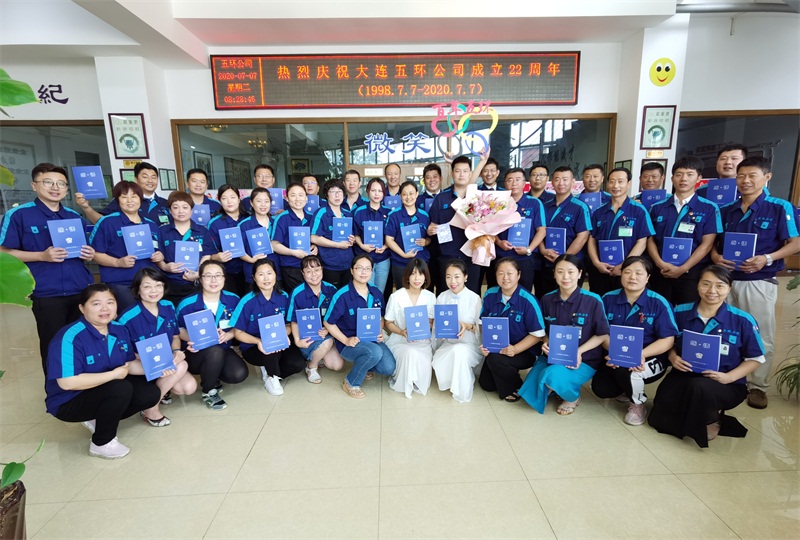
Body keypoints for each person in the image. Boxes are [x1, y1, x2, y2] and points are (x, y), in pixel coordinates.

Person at [711, 156, 800, 409]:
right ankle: (724, 375)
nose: (746, 181)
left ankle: (758, 385)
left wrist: (767, 258)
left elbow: (795, 243)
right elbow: (714, 243)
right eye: (741, 176)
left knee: (760, 333)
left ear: (767, 177)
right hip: (725, 280)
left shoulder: (779, 207)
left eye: (752, 176)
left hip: (758, 280)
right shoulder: (727, 210)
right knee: (723, 330)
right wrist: (716, 257)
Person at [648, 265, 766, 447]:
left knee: (699, 388)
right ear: (697, 285)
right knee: (659, 415)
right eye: (706, 284)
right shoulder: (680, 312)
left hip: (725, 381)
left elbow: (756, 359)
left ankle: (712, 418)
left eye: (720, 286)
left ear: (729, 288)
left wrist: (729, 377)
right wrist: (672, 357)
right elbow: (668, 341)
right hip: (684, 374)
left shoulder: (742, 320)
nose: (712, 291)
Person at [45, 284, 161, 459]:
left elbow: (129, 364)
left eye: (110, 302)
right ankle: (101, 443)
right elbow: (67, 383)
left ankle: (98, 417)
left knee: (150, 393)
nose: (105, 309)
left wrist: (159, 367)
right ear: (82, 308)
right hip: (69, 399)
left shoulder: (119, 329)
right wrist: (114, 375)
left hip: (104, 388)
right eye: (96, 304)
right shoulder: (70, 337)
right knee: (121, 388)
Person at [0, 163, 95, 371]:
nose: (55, 187)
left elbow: (83, 251)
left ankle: (85, 387)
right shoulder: (19, 215)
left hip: (80, 290)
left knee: (83, 342)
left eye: (61, 183)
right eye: (48, 182)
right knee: (54, 345)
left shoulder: (74, 217)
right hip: (47, 292)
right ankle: (56, 390)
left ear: (66, 189)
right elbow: (3, 253)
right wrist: (41, 256)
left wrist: (88, 254)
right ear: (34, 185)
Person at [591, 257, 678, 425]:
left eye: (639, 273)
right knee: (602, 389)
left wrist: (639, 355)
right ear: (621, 274)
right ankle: (627, 387)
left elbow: (667, 340)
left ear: (648, 277)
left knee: (629, 370)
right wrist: (616, 353)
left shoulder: (659, 303)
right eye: (628, 272)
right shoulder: (607, 299)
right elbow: (602, 333)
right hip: (615, 354)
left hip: (650, 356)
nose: (632, 277)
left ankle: (637, 403)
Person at [518, 254, 609, 414]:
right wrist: (546, 342)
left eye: (571, 272)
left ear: (579, 274)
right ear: (554, 274)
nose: (565, 277)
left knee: (550, 376)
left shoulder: (593, 300)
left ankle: (572, 396)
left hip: (583, 359)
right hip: (553, 356)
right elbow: (543, 331)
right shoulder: (546, 299)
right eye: (560, 272)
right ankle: (557, 387)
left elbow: (602, 335)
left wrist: (578, 351)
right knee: (529, 390)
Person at [118, 268, 198, 426]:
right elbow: (123, 353)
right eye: (147, 286)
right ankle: (151, 409)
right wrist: (155, 362)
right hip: (138, 362)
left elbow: (175, 336)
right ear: (138, 290)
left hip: (164, 360)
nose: (154, 291)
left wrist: (176, 351)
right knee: (181, 366)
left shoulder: (168, 306)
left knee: (188, 387)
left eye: (158, 285)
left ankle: (161, 388)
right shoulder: (127, 318)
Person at [647, 156, 722, 305]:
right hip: (660, 271)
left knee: (687, 311)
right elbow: (650, 239)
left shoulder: (709, 208)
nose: (684, 179)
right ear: (672, 178)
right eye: (679, 174)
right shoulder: (657, 207)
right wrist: (659, 263)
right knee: (659, 310)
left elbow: (707, 244)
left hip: (692, 272)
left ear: (699, 178)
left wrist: (683, 268)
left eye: (689, 174)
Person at [176, 260, 248, 410]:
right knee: (214, 351)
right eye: (208, 276)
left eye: (218, 275)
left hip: (223, 348)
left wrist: (228, 335)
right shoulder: (187, 304)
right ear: (200, 279)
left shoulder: (233, 300)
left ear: (224, 278)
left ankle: (212, 375)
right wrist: (193, 338)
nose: (213, 280)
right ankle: (208, 391)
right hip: (195, 353)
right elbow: (177, 330)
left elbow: (240, 326)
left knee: (238, 374)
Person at [324, 254, 396, 399]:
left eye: (368, 269)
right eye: (359, 268)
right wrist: (345, 340)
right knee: (374, 352)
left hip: (371, 339)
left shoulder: (376, 292)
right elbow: (328, 322)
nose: (364, 272)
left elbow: (380, 317)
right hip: (349, 342)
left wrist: (379, 330)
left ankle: (364, 366)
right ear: (352, 270)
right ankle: (351, 382)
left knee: (388, 367)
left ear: (371, 271)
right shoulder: (342, 295)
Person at [230, 258, 305, 395]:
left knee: (298, 364)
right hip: (253, 347)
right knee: (270, 348)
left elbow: (289, 325)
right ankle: (272, 376)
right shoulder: (247, 301)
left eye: (269, 273)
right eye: (261, 274)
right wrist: (259, 341)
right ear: (254, 278)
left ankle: (271, 371)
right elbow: (238, 333)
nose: (266, 278)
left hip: (278, 341)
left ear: (276, 274)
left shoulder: (283, 296)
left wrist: (283, 334)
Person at [89, 181, 164, 314]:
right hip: (122, 283)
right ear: (117, 200)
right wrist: (117, 262)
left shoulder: (151, 225)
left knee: (151, 317)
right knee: (131, 317)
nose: (130, 201)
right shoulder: (107, 222)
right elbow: (95, 254)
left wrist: (159, 256)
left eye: (134, 196)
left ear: (140, 199)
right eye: (124, 197)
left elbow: (159, 250)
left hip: (149, 284)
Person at [478, 257, 546, 401]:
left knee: (496, 360)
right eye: (501, 273)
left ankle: (514, 387)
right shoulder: (490, 295)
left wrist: (515, 349)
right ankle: (508, 372)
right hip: (498, 348)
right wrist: (486, 344)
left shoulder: (528, 300)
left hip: (524, 351)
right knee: (487, 384)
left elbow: (538, 335)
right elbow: (482, 323)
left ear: (518, 275)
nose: (505, 278)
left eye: (510, 273)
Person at [586, 167, 655, 296]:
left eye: (620, 181)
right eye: (612, 181)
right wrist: (596, 262)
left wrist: (624, 266)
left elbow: (642, 242)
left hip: (626, 271)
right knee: (599, 301)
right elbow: (591, 239)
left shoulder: (639, 210)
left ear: (628, 184)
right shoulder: (598, 211)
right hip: (601, 269)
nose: (615, 185)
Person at [427, 153, 488, 292]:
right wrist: (431, 230)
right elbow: (432, 225)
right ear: (452, 173)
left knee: (471, 296)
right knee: (446, 296)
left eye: (465, 171)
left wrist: (482, 161)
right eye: (458, 171)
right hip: (447, 257)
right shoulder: (441, 198)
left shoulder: (477, 198)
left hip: (471, 257)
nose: (461, 174)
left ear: (470, 174)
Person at [532, 165, 592, 299]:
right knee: (544, 299)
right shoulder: (544, 206)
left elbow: (583, 236)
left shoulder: (580, 207)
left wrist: (564, 258)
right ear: (552, 182)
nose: (561, 183)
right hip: (545, 262)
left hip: (570, 264)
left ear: (573, 182)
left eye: (565, 179)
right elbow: (538, 231)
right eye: (557, 179)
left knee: (569, 299)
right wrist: (542, 250)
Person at [287, 255, 345, 383]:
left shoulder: (332, 290)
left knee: (337, 365)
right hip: (306, 337)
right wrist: (297, 341)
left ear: (322, 270)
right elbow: (294, 321)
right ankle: (311, 366)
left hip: (326, 335)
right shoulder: (297, 293)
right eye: (308, 271)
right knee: (327, 343)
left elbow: (339, 317)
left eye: (317, 270)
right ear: (302, 273)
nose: (314, 275)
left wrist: (328, 330)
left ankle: (319, 355)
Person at [432, 259, 483, 403]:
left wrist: (468, 326)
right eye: (448, 277)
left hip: (469, 344)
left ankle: (460, 390)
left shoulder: (474, 299)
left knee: (459, 351)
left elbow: (480, 329)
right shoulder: (442, 297)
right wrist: (440, 334)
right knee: (452, 352)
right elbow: (437, 326)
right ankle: (452, 381)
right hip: (448, 343)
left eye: (457, 276)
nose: (452, 281)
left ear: (465, 277)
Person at [384, 260, 437, 398]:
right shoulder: (396, 296)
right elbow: (388, 322)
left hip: (422, 341)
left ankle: (414, 380)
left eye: (421, 274)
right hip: (400, 339)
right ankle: (404, 381)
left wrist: (423, 327)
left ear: (426, 276)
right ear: (407, 276)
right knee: (409, 352)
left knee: (418, 355)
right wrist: (402, 332)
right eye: (413, 274)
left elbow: (432, 322)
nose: (417, 278)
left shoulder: (430, 297)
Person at [156, 191, 218, 306]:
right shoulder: (161, 231)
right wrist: (165, 266)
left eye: (185, 207)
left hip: (196, 284)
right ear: (170, 211)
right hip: (170, 285)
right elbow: (157, 255)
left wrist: (198, 273)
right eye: (176, 207)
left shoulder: (202, 231)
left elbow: (207, 254)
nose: (181, 211)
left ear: (191, 210)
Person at [493, 167, 547, 291]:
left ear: (524, 183)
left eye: (518, 180)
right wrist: (499, 242)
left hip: (525, 258)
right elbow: (489, 229)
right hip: (502, 255)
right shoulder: (497, 203)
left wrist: (529, 249)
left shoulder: (535, 203)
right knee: (500, 290)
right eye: (510, 180)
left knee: (524, 291)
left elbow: (541, 230)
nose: (514, 183)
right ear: (505, 183)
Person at [77, 162, 171, 226]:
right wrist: (87, 208)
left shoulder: (166, 203)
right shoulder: (123, 201)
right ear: (136, 179)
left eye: (153, 177)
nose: (150, 181)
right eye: (145, 177)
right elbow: (101, 221)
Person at [271, 182, 319, 292]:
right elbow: (274, 245)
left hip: (311, 267)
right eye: (293, 195)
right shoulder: (282, 218)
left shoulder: (311, 217)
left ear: (306, 198)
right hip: (291, 266)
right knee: (298, 295)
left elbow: (315, 238)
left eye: (301, 195)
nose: (297, 199)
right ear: (287, 198)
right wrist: (293, 252)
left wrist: (315, 246)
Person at [385, 180, 432, 289]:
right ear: (400, 196)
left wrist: (426, 241)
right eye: (404, 194)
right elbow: (389, 240)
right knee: (403, 295)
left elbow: (429, 238)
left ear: (417, 194)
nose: (408, 197)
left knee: (421, 295)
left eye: (411, 193)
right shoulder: (394, 215)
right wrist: (404, 254)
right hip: (401, 263)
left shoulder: (424, 215)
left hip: (421, 262)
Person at [311, 179, 355, 288]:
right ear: (327, 195)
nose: (337, 195)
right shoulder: (321, 213)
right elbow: (313, 237)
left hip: (348, 263)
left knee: (346, 293)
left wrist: (352, 239)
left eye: (339, 192)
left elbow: (352, 235)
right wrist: (337, 245)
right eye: (333, 192)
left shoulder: (347, 214)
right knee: (331, 294)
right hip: (330, 265)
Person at [208, 184, 249, 296]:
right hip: (227, 272)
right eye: (224, 198)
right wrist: (217, 257)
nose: (229, 201)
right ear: (220, 201)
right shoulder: (215, 224)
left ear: (239, 199)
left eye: (232, 197)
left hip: (250, 271)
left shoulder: (249, 219)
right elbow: (210, 253)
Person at [353, 178, 391, 293]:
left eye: (380, 191)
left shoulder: (389, 212)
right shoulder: (359, 211)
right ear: (368, 191)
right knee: (365, 291)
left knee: (379, 292)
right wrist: (362, 245)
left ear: (384, 193)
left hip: (383, 258)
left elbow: (393, 236)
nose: (376, 194)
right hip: (364, 258)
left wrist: (385, 246)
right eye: (373, 190)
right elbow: (355, 234)